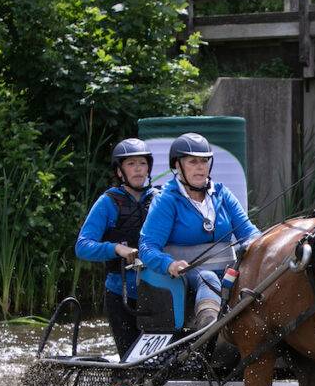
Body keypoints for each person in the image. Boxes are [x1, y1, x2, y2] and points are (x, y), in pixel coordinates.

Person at [139, 132, 260, 329]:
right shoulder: (166, 200)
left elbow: (250, 233)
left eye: (204, 161)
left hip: (229, 274)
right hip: (186, 278)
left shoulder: (223, 194)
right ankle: (209, 330)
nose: (200, 167)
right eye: (193, 162)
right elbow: (147, 247)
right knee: (208, 277)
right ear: (177, 165)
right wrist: (169, 264)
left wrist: (257, 245)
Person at [75, 138, 157, 357]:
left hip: (158, 292)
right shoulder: (108, 202)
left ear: (148, 168)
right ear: (120, 172)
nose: (138, 169)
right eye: (131, 164)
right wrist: (116, 249)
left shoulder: (160, 200)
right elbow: (82, 246)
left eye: (142, 163)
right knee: (130, 358)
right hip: (121, 295)